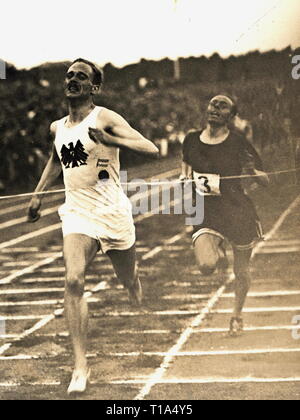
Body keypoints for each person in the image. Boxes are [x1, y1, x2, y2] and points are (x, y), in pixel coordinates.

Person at [27, 58, 158, 394]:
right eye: (69, 75)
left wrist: (115, 142)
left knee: (128, 279)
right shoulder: (58, 128)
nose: (72, 80)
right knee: (73, 278)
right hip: (78, 215)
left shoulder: (105, 118)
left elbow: (151, 147)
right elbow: (56, 160)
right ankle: (80, 365)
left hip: (113, 214)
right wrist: (39, 196)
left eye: (81, 77)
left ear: (94, 87)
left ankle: (133, 280)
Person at [180, 95, 269, 337]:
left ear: (231, 116)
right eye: (213, 104)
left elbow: (265, 181)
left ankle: (236, 316)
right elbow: (186, 164)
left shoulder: (239, 142)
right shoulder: (190, 139)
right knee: (207, 265)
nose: (216, 108)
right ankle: (219, 254)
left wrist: (251, 171)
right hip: (206, 211)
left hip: (236, 210)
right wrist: (184, 177)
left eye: (223, 106)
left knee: (241, 271)